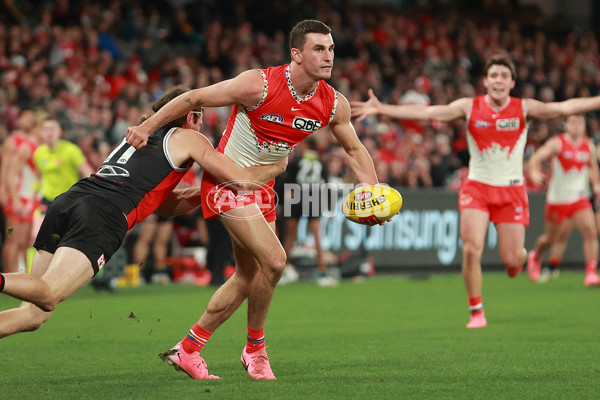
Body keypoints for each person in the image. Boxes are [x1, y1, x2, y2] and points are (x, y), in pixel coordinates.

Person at [126, 20, 379, 380]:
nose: (328, 56)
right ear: (297, 53)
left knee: (249, 276)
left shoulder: (332, 104)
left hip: (261, 189)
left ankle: (188, 348)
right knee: (275, 261)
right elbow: (194, 98)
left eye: (332, 49)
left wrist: (372, 189)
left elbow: (354, 149)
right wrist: (147, 127)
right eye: (319, 49)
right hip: (225, 185)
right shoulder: (258, 84)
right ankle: (255, 349)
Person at [0, 87, 286, 340]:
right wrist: (276, 166)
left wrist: (204, 194)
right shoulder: (188, 137)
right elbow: (240, 181)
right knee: (49, 295)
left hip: (69, 201)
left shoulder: (137, 136)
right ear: (190, 117)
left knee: (33, 315)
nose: (200, 127)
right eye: (199, 118)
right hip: (104, 213)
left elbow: (163, 205)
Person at [351, 54, 600, 329]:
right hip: (477, 188)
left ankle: (522, 258)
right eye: (493, 75)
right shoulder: (469, 107)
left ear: (512, 82)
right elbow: (429, 113)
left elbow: (564, 108)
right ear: (485, 81)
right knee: (471, 249)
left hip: (511, 191)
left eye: (504, 76)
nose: (498, 80)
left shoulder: (524, 108)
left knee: (511, 260)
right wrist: (383, 108)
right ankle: (476, 311)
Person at [526, 114, 600, 286]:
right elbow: (536, 157)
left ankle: (590, 273)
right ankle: (536, 255)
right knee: (550, 239)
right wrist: (533, 171)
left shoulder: (588, 146)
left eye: (580, 122)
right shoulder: (557, 143)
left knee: (590, 231)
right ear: (565, 125)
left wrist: (596, 185)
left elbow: (592, 167)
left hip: (579, 197)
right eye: (572, 122)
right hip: (557, 199)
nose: (576, 126)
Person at [281, 135, 337, 287]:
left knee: (290, 238)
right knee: (318, 239)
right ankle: (322, 273)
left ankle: (285, 270)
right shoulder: (321, 162)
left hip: (296, 196)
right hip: (314, 197)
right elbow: (326, 185)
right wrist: (330, 208)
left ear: (306, 145)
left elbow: (289, 183)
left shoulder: (297, 160)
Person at [33, 118, 94, 240]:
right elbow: (38, 177)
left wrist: (86, 196)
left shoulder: (71, 150)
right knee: (36, 235)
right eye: (45, 129)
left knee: (64, 239)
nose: (49, 133)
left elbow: (88, 173)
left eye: (52, 129)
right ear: (41, 132)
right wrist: (33, 197)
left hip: (69, 201)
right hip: (47, 200)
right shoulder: (39, 153)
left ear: (59, 131)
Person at [1, 110, 44, 273]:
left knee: (24, 241)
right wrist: (4, 190)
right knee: (13, 239)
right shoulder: (17, 143)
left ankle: (20, 274)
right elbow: (7, 168)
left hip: (27, 196)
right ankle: (10, 275)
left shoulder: (34, 146)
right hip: (18, 195)